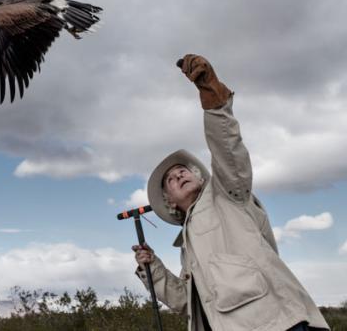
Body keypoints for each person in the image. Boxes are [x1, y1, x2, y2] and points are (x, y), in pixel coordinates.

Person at [133, 54, 329, 331]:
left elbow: (228, 151)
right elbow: (186, 303)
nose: (178, 174)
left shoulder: (227, 193)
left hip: (277, 323)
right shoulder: (188, 248)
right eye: (170, 179)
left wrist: (214, 103)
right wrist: (151, 267)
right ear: (170, 202)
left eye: (183, 171)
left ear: (200, 178)